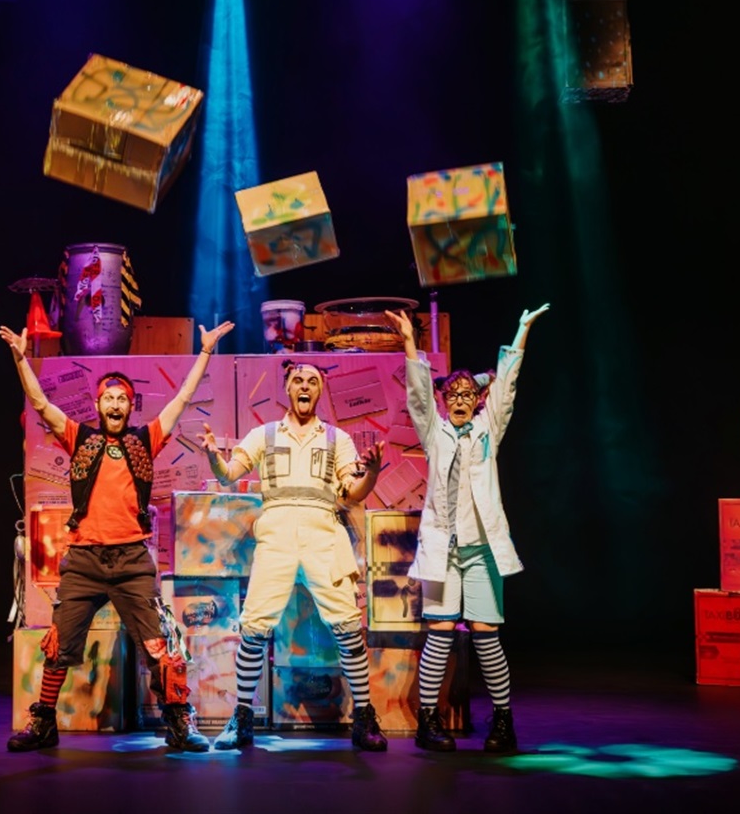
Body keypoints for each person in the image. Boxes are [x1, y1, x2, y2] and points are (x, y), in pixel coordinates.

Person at [0, 318, 235, 753]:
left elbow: (182, 399)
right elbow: (40, 403)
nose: (114, 404)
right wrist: (20, 357)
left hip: (131, 561)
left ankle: (178, 724)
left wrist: (204, 352)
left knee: (159, 644)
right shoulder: (79, 438)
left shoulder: (145, 440)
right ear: (98, 404)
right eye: (108, 397)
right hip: (84, 561)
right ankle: (44, 723)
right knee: (58, 644)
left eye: (122, 398)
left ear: (130, 406)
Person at [383, 304, 549, 754]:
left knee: (485, 632)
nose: (459, 400)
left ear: (476, 400)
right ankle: (428, 721)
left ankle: (503, 721)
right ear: (445, 402)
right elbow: (419, 396)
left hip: (481, 549)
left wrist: (521, 332)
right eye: (452, 395)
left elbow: (506, 389)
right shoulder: (434, 432)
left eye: (466, 395)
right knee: (439, 631)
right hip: (443, 550)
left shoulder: (487, 430)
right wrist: (409, 342)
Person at [200, 360, 389, 752]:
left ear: (320, 390)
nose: (305, 386)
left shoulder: (337, 439)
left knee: (347, 627)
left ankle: (364, 717)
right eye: (298, 380)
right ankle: (242, 718)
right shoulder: (265, 434)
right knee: (254, 627)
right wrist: (215, 456)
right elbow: (227, 474)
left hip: (323, 534)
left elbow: (353, 493)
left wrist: (371, 473)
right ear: (287, 387)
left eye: (312, 381)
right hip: (277, 534)